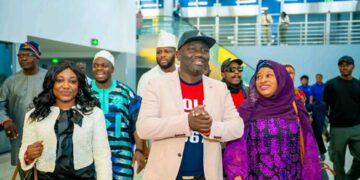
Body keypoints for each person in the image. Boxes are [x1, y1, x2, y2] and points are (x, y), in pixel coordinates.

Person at [136, 30, 244, 180]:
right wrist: (186, 122)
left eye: (204, 50)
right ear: (178, 55)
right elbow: (144, 127)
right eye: (192, 49)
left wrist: (210, 128)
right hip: (165, 175)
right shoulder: (157, 85)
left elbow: (237, 128)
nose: (199, 54)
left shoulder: (219, 88)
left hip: (206, 175)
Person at [224, 59, 321, 180]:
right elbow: (236, 144)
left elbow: (309, 144)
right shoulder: (248, 108)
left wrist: (311, 174)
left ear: (280, 78)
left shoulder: (295, 105)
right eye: (258, 77)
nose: (262, 80)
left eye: (268, 75)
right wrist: (237, 174)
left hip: (292, 175)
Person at [18, 61, 112, 179]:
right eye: (60, 80)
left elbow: (102, 155)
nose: (66, 86)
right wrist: (28, 156)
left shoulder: (94, 114)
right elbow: (24, 151)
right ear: (51, 84)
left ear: (79, 85)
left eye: (72, 81)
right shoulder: (35, 115)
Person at [91, 50, 145, 179]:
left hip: (122, 155)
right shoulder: (84, 92)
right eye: (96, 65)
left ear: (112, 68)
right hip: (91, 154)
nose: (99, 68)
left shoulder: (126, 92)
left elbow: (136, 123)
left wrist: (139, 149)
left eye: (104, 65)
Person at [0, 41, 47, 176]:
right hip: (20, 137)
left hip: (46, 136)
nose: (23, 58)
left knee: (48, 170)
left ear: (38, 56)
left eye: (28, 55)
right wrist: (6, 121)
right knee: (25, 174)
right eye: (20, 55)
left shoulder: (49, 78)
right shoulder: (11, 81)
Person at [323, 56, 360, 180]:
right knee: (338, 162)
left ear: (353, 66)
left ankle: (350, 177)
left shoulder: (358, 84)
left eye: (347, 64)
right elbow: (324, 107)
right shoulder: (331, 84)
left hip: (356, 127)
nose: (344, 67)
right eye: (341, 64)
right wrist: (324, 128)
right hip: (337, 129)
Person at [137, 30, 178, 96]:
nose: (162, 55)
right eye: (158, 52)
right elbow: (142, 104)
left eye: (167, 51)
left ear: (176, 54)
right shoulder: (147, 78)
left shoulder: (184, 74)